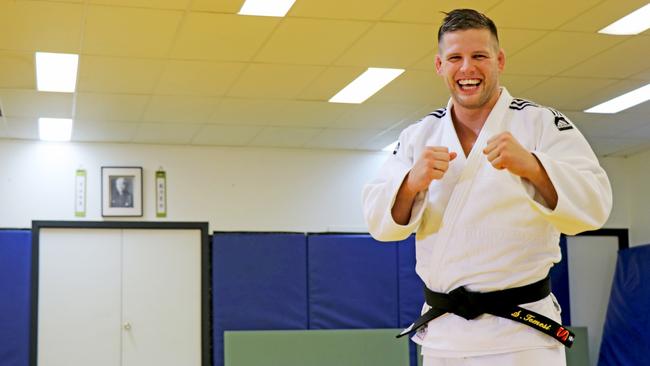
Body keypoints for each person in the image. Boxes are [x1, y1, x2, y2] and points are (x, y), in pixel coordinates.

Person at [362, 9, 612, 366]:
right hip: (445, 337)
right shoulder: (418, 136)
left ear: (499, 60)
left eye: (479, 56)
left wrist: (534, 167)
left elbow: (595, 204)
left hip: (523, 335)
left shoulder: (541, 124)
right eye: (455, 58)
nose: (467, 68)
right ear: (439, 65)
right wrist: (410, 184)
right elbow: (378, 222)